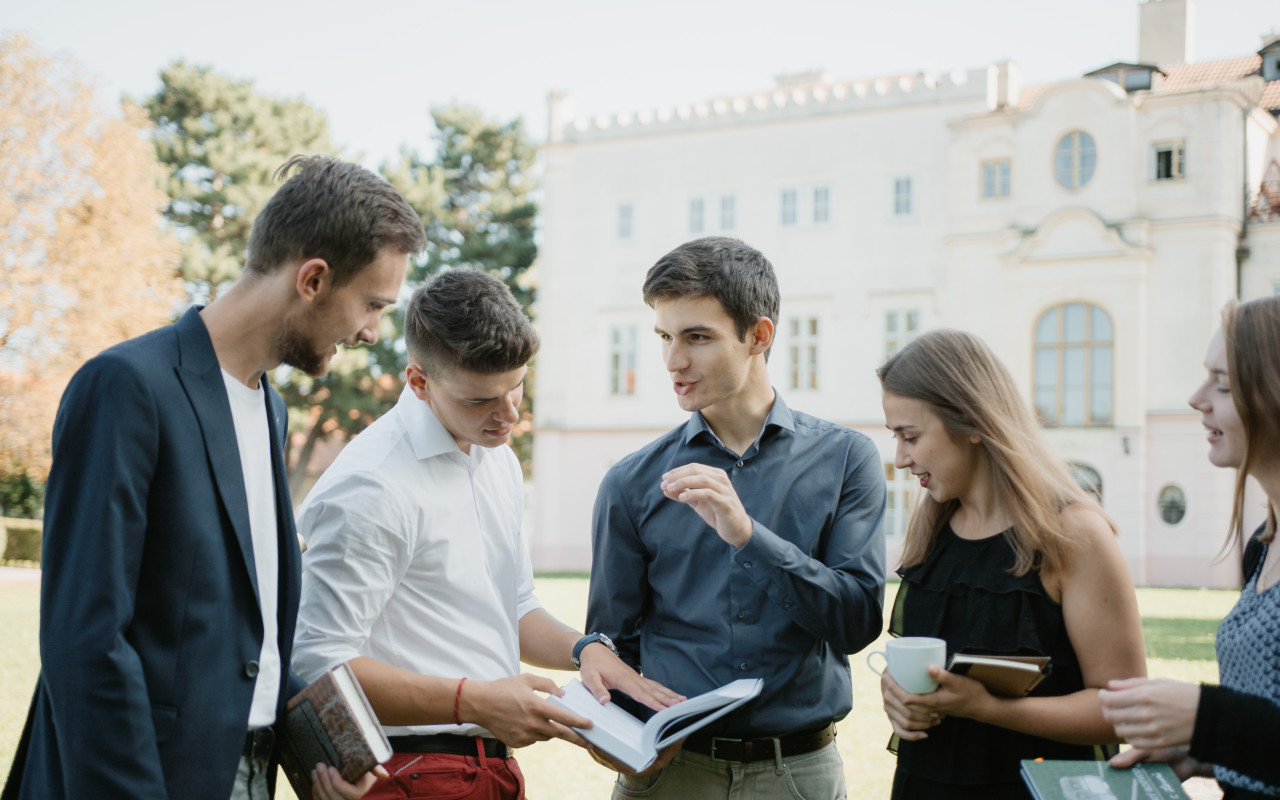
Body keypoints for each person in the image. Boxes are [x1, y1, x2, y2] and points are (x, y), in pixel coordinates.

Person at [1, 155, 426, 800]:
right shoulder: (127, 387)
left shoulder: (271, 409)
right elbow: (85, 641)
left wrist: (319, 752)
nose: (372, 331)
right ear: (312, 279)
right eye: (371, 304)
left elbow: (242, 634)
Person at [291, 270, 682, 800]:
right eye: (480, 400)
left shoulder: (493, 457)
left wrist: (587, 650)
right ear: (419, 382)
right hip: (400, 773)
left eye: (517, 386)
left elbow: (514, 606)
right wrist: (472, 702)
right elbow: (317, 662)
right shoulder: (371, 484)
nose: (508, 415)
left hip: (491, 770)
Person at [585, 236, 887, 799]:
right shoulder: (630, 482)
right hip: (668, 777)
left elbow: (858, 621)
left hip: (797, 775)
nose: (675, 361)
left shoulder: (848, 459)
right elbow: (610, 644)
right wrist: (619, 738)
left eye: (697, 337)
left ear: (760, 336)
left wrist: (749, 537)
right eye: (666, 338)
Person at [876, 328, 1146, 800]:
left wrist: (989, 708)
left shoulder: (1075, 535)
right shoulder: (931, 533)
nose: (900, 459)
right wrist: (901, 702)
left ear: (973, 423)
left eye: (911, 436)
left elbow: (1125, 710)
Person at [1101, 296, 1280, 798]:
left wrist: (1208, 719)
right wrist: (1202, 751)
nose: (1196, 398)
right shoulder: (1262, 548)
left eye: (1222, 384)